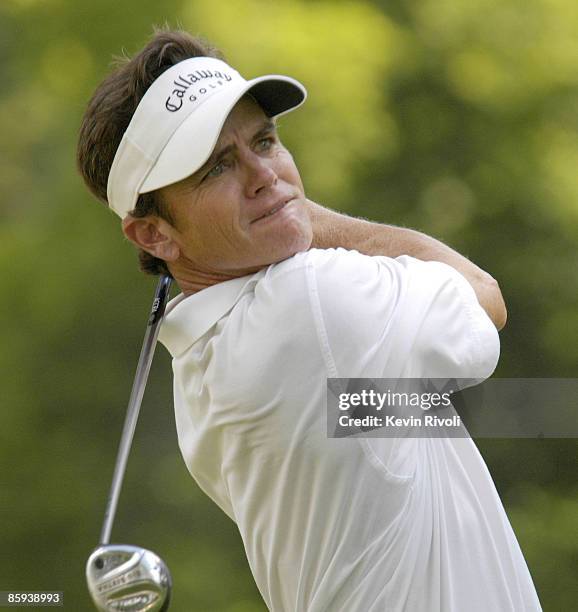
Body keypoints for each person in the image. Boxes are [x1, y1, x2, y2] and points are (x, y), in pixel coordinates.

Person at [77, 28, 542, 612]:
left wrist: (272, 211)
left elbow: (384, 414)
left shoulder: (200, 368)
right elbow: (484, 297)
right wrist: (298, 213)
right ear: (154, 233)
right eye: (218, 167)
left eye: (265, 141)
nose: (263, 174)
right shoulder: (309, 302)